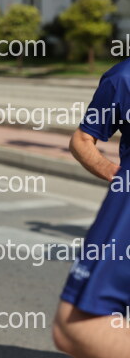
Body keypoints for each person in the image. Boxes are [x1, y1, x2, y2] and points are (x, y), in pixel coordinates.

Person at [52, 58, 130, 357]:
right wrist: (115, 174)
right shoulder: (122, 77)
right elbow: (82, 140)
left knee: (80, 324)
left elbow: (73, 328)